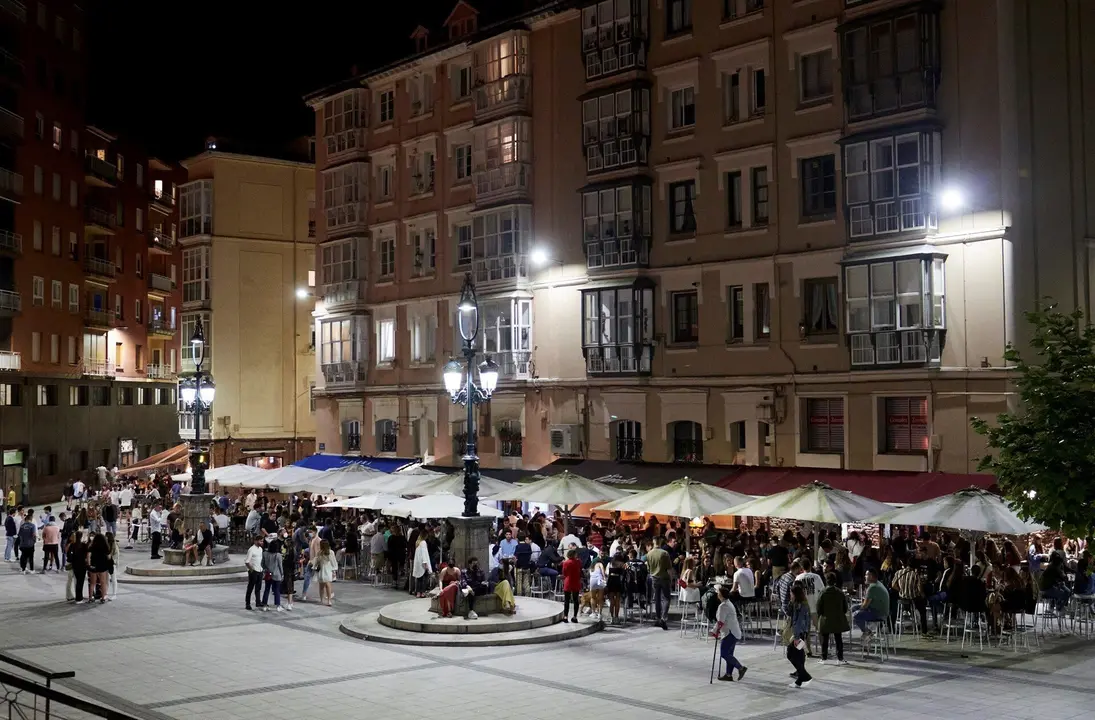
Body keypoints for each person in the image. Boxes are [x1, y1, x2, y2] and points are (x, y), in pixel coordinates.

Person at [713, 584, 747, 682]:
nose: (717, 595)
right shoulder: (728, 603)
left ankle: (740, 668)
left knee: (724, 653)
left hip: (729, 633)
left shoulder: (723, 606)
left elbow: (720, 621)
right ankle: (728, 675)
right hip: (734, 631)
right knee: (729, 654)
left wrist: (714, 631)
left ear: (721, 595)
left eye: (718, 593)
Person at [816, 572, 850, 664]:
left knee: (825, 639)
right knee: (838, 639)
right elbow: (845, 608)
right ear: (835, 581)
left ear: (826, 581)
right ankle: (840, 658)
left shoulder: (823, 592)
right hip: (837, 619)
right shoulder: (840, 592)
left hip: (825, 619)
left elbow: (818, 607)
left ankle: (824, 658)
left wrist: (821, 615)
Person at [853, 569, 890, 652]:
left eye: (867, 575)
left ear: (872, 576)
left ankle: (867, 632)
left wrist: (858, 610)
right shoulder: (878, 584)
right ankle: (867, 633)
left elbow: (865, 605)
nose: (865, 577)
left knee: (856, 615)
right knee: (854, 608)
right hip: (881, 611)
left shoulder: (873, 587)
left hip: (878, 613)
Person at [786, 584, 813, 688]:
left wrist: (797, 637)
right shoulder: (796, 604)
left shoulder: (801, 606)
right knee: (799, 654)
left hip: (799, 634)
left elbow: (800, 622)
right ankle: (800, 678)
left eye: (791, 593)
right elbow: (789, 614)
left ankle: (803, 675)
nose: (790, 595)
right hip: (799, 633)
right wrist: (790, 602)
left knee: (791, 653)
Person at [645, 537, 672, 630]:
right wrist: (671, 578)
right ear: (660, 542)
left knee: (657, 598)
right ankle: (664, 618)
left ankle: (658, 618)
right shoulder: (664, 553)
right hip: (664, 577)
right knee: (666, 598)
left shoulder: (649, 554)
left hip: (654, 578)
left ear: (653, 542)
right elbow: (669, 568)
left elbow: (648, 568)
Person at [262, 534, 285, 612]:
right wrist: (282, 574)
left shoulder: (265, 554)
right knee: (276, 590)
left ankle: (264, 605)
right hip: (277, 574)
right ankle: (278, 605)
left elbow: (262, 564)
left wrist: (265, 570)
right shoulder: (278, 555)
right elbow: (280, 566)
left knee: (267, 589)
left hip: (268, 574)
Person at [86, 533, 110, 604]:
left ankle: (90, 597)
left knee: (92, 582)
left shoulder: (92, 546)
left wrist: (89, 564)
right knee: (103, 582)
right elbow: (109, 557)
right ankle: (103, 598)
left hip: (94, 565)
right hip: (102, 565)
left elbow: (88, 555)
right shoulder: (105, 546)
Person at [313, 539, 338, 606]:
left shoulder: (330, 552)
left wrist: (334, 570)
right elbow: (317, 561)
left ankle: (328, 600)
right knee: (322, 585)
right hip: (322, 570)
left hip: (327, 570)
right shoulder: (320, 552)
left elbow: (333, 561)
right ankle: (322, 600)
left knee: (327, 585)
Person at [561, 548, 582, 623]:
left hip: (568, 582)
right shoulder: (578, 562)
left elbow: (564, 573)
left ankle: (565, 616)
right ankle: (575, 617)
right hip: (576, 582)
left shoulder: (566, 563)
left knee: (567, 600)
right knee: (576, 600)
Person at [244, 536, 264, 611]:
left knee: (258, 588)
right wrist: (251, 570)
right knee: (250, 588)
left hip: (260, 570)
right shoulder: (251, 550)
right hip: (253, 571)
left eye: (262, 541)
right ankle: (247, 603)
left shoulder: (261, 549)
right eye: (260, 541)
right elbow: (247, 562)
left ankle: (258, 602)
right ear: (255, 541)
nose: (262, 542)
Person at [412, 533, 432, 598]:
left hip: (418, 563)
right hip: (423, 563)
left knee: (419, 578)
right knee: (424, 579)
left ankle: (418, 593)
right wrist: (425, 562)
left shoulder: (417, 542)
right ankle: (423, 592)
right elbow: (424, 553)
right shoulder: (423, 542)